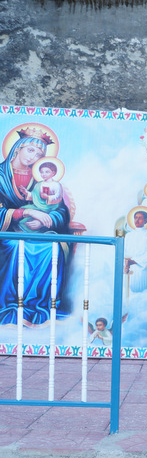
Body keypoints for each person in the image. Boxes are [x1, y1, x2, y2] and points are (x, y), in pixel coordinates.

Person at [0, 129, 71, 325]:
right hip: (7, 234)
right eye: (31, 151)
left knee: (54, 248)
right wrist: (27, 212)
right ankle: (11, 304)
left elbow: (61, 210)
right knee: (15, 247)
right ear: (16, 149)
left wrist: (44, 220)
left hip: (39, 232)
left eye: (39, 155)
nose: (34, 157)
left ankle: (39, 305)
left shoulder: (43, 180)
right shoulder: (0, 176)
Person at [19, 161, 64, 233]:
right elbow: (34, 196)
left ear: (53, 173)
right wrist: (26, 192)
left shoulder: (56, 185)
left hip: (50, 208)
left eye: (47, 172)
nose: (44, 174)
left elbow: (58, 197)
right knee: (23, 212)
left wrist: (48, 197)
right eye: (42, 172)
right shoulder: (38, 184)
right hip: (38, 207)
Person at [124, 209, 147, 293]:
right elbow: (124, 251)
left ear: (145, 220)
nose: (137, 220)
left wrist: (133, 261)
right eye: (135, 218)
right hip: (129, 270)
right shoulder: (128, 236)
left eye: (140, 218)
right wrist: (127, 262)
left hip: (144, 272)